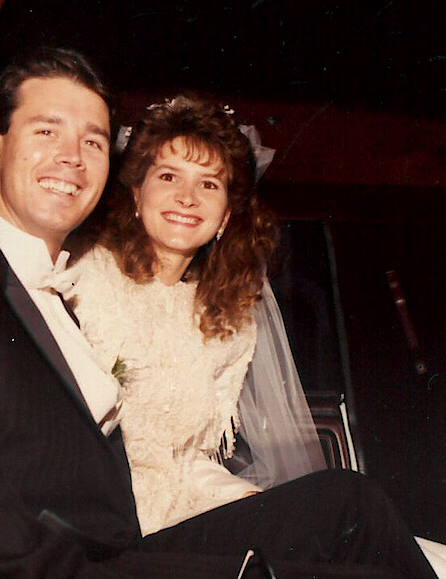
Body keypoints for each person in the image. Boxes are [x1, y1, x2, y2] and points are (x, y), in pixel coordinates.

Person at [0, 46, 446, 579]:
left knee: (352, 504)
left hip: (119, 544)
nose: (71, 157)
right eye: (46, 132)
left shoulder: (48, 283)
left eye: (93, 142)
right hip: (85, 575)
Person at [67, 94, 327, 535]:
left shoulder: (229, 321)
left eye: (209, 184)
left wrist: (245, 501)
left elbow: (189, 458)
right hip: (106, 521)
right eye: (169, 176)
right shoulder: (84, 279)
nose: (187, 198)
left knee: (348, 515)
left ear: (225, 214)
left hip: (190, 513)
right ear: (136, 193)